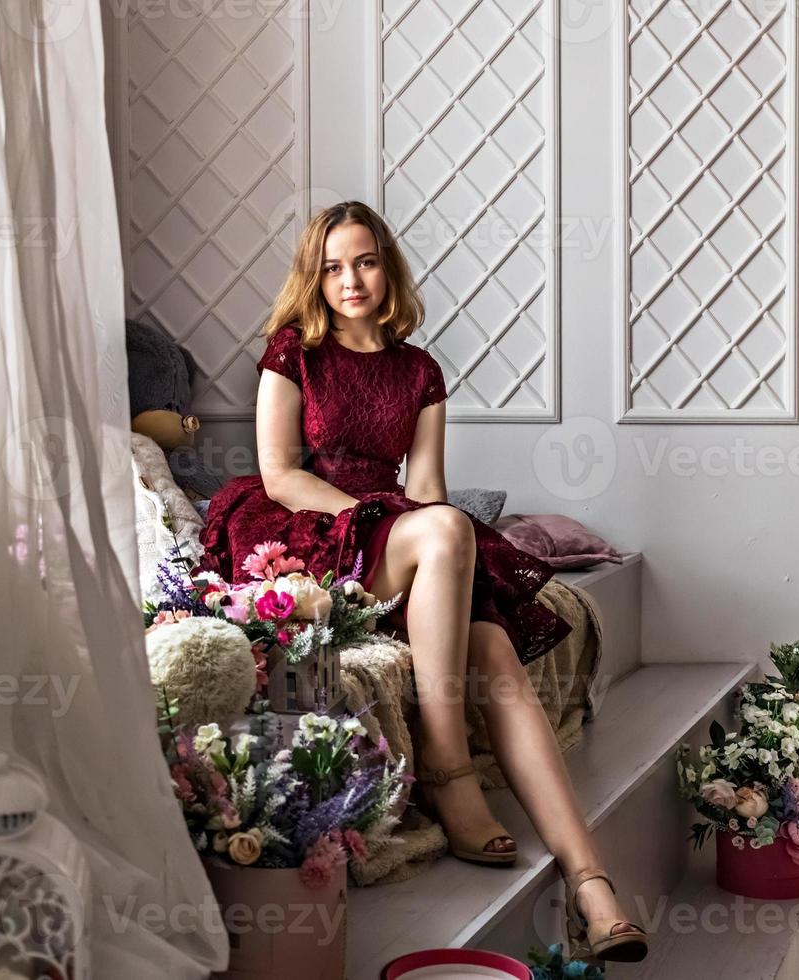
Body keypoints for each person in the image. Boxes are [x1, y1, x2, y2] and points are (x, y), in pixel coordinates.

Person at [196, 201, 647, 963]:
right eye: (332, 266)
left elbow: (430, 485)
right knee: (441, 530)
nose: (350, 279)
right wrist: (376, 520)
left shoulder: (419, 370)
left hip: (405, 536)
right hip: (316, 530)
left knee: (497, 657)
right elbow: (279, 475)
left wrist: (443, 552)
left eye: (365, 261)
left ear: (388, 267)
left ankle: (593, 889)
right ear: (314, 276)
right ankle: (446, 767)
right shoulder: (292, 352)